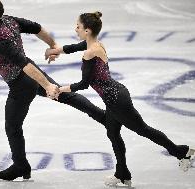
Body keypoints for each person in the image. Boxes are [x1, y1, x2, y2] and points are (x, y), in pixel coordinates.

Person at [45, 11, 195, 187]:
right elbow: (72, 48)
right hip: (115, 97)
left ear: (87, 30)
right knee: (113, 133)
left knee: (142, 129)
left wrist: (58, 89)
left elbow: (84, 84)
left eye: (78, 26)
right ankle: (122, 173)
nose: (75, 28)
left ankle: (181, 152)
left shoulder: (90, 53)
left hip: (117, 101)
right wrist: (56, 50)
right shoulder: (95, 44)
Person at [0, 0, 107, 181]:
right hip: (31, 75)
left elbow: (24, 64)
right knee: (65, 96)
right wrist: (53, 46)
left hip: (21, 83)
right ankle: (104, 117)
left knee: (12, 127)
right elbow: (37, 28)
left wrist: (46, 85)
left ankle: (20, 165)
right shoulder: (9, 20)